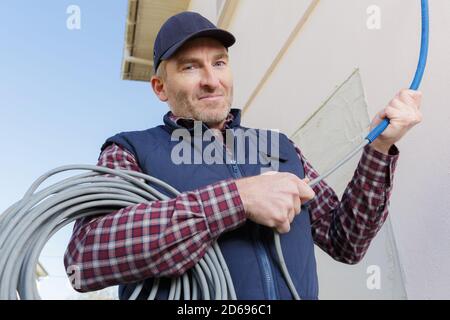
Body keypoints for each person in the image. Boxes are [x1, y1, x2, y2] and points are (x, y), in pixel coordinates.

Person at [64, 11, 423, 300]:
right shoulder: (131, 151)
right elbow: (86, 257)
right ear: (160, 87)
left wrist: (379, 148)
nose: (211, 80)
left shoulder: (280, 147)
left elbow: (346, 240)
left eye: (219, 63)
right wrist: (238, 200)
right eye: (190, 67)